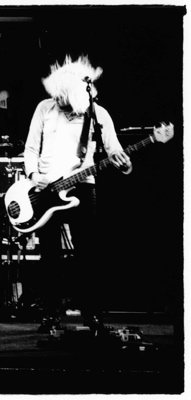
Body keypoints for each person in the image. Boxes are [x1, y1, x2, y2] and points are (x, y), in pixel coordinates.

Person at [22, 55, 132, 332]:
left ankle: (91, 314)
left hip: (82, 186)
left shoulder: (98, 114)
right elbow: (31, 148)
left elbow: (115, 150)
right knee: (50, 255)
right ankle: (50, 314)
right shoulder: (44, 108)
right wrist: (34, 176)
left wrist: (124, 163)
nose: (58, 100)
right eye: (56, 95)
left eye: (63, 96)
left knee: (88, 253)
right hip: (46, 189)